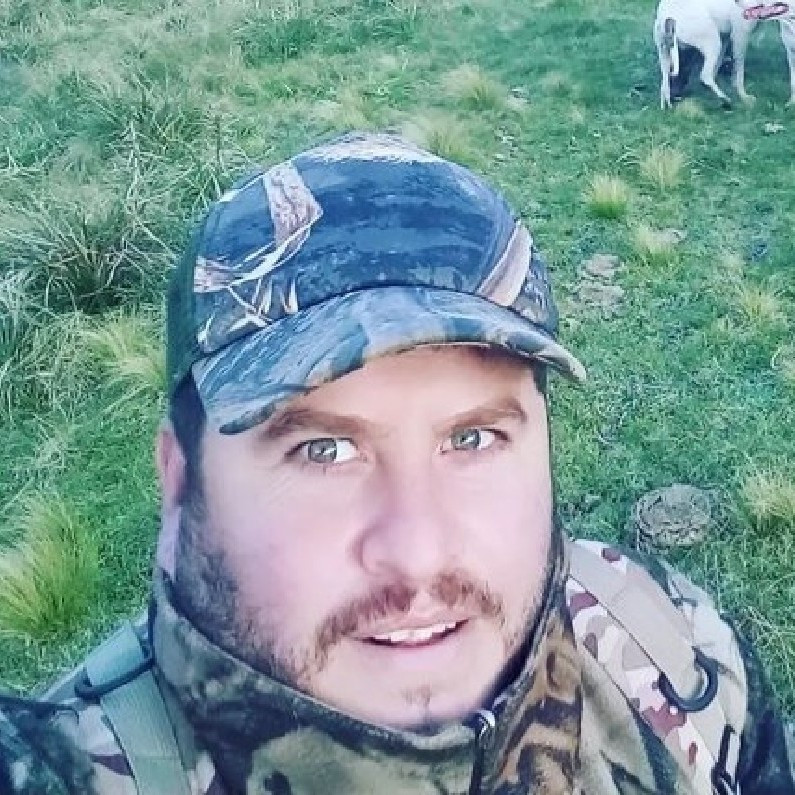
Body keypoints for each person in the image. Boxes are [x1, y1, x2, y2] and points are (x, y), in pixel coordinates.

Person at [0, 131, 792, 795]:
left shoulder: (671, 646)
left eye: (472, 439)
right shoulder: (62, 769)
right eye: (323, 450)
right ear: (180, 479)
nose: (416, 552)